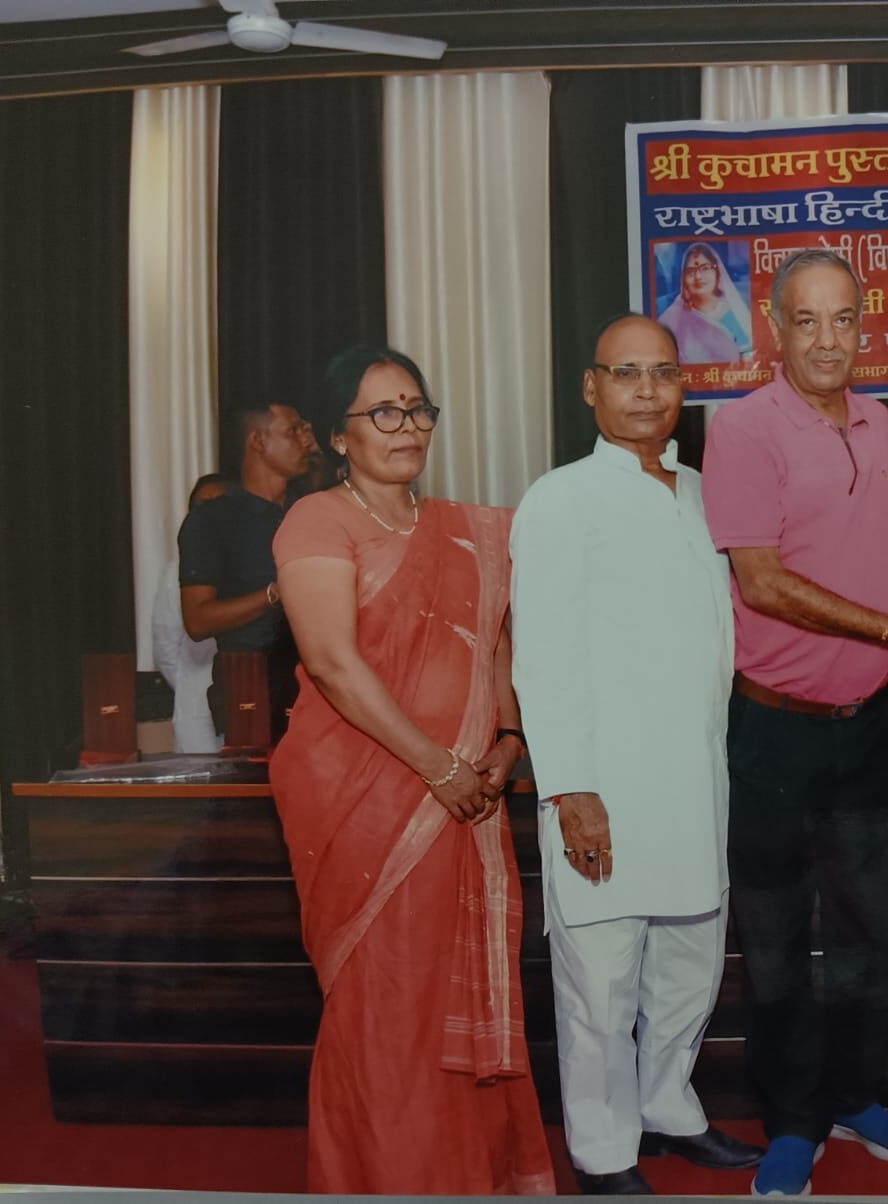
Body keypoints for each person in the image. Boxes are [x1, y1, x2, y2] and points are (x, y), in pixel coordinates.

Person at [702, 248, 888, 1196]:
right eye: (808, 320)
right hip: (776, 734)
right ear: (774, 328)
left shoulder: (875, 418)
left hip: (870, 727)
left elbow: (865, 544)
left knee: (875, 936)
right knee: (778, 943)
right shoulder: (742, 429)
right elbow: (762, 580)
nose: (828, 340)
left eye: (844, 320)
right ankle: (794, 1122)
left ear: (863, 326)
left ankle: (854, 1097)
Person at [268, 345, 553, 1195]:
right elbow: (332, 663)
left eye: (417, 408)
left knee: (454, 998)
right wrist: (437, 767)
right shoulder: (317, 520)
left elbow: (495, 646)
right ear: (339, 435)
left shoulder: (472, 530)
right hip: (367, 797)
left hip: (467, 792)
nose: (407, 427)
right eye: (383, 412)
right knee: (386, 1004)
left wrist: (508, 741)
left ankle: (470, 1177)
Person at [511, 314, 764, 1194]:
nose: (648, 390)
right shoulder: (560, 498)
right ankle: (603, 1152)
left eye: (663, 373)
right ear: (592, 387)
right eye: (626, 373)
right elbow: (540, 658)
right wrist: (571, 788)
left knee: (690, 971)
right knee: (601, 985)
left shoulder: (703, 493)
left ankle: (668, 1108)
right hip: (604, 788)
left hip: (695, 783)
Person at [178, 402, 316, 741]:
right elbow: (197, 620)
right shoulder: (212, 520)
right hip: (250, 691)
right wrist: (275, 592)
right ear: (258, 441)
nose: (306, 441)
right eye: (293, 431)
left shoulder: (314, 511)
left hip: (317, 684)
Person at [152, 473, 228, 753]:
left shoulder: (255, 564)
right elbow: (166, 651)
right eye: (201, 508)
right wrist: (191, 686)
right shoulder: (176, 571)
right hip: (197, 712)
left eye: (218, 506)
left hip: (248, 705)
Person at [659, 241, 753, 365]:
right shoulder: (673, 318)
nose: (698, 276)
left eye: (705, 269)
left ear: (717, 272)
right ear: (683, 279)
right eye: (691, 271)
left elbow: (749, 357)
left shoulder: (734, 312)